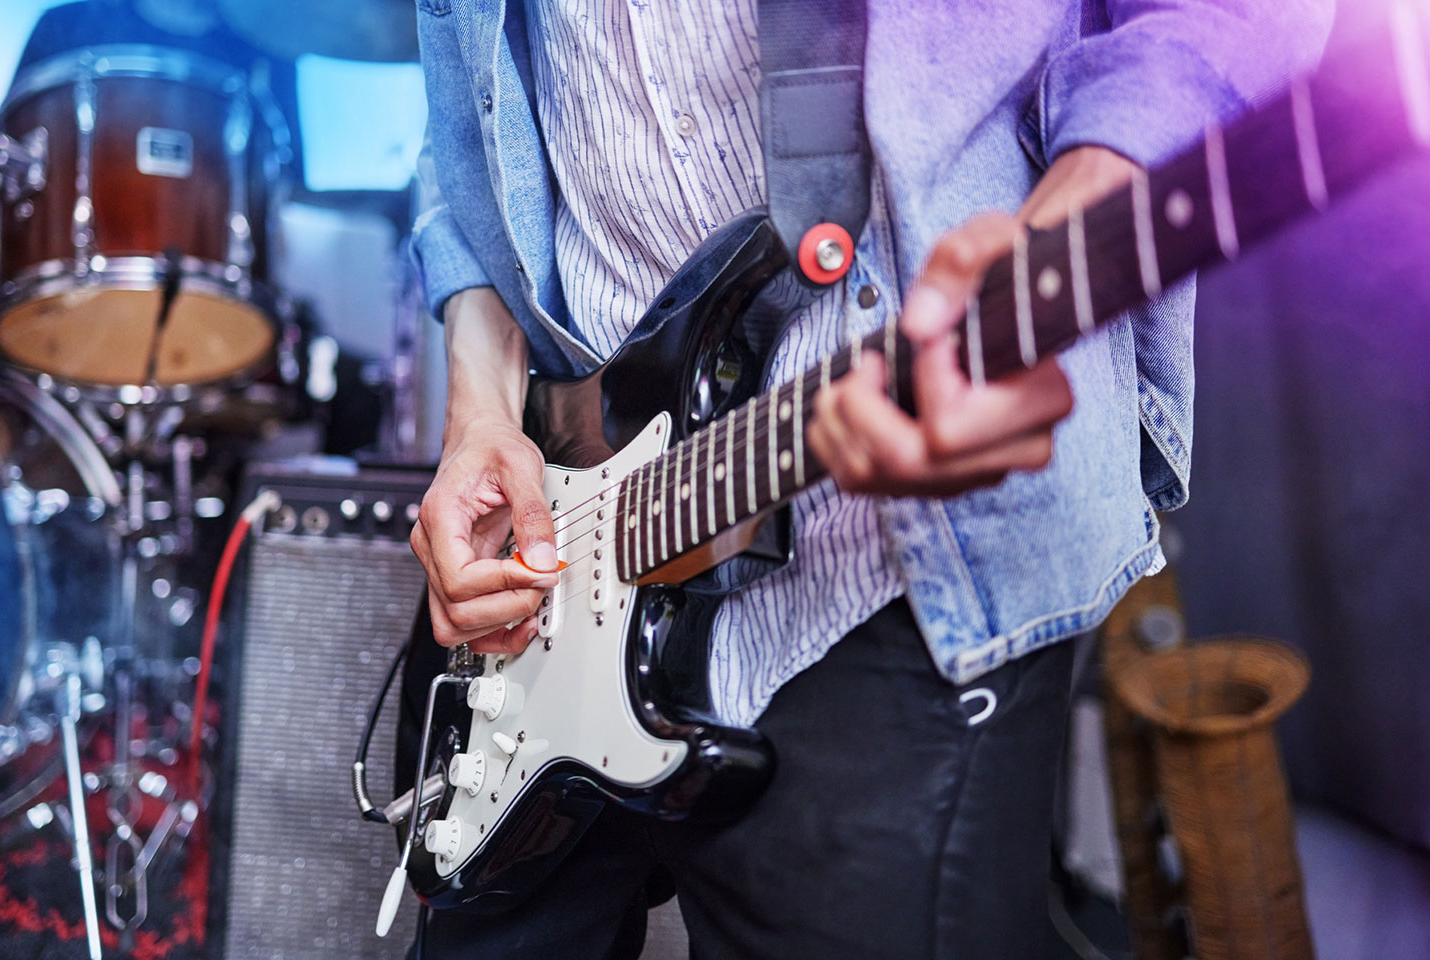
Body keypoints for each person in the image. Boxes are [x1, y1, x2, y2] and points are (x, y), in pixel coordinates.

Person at [406, 1, 1332, 957]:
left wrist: (1060, 235)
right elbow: (463, 131)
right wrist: (477, 414)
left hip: (894, 561)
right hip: (564, 539)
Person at [0, 0, 299, 227]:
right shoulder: (63, 27)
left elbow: (289, 188)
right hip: (68, 297)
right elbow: (13, 168)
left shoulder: (269, 53)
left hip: (220, 295)